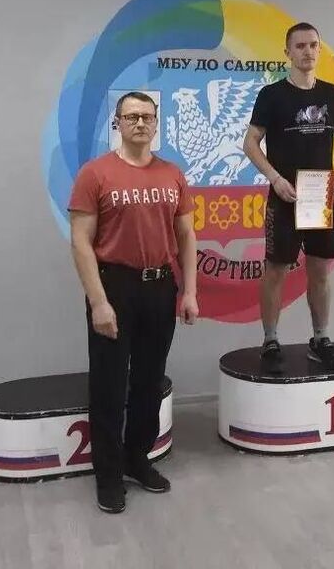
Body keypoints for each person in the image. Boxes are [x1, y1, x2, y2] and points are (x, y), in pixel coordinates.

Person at [69, 91, 199, 514]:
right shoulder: (95, 174)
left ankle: (136, 460)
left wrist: (190, 291)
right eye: (131, 117)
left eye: (146, 116)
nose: (140, 123)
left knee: (149, 381)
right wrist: (98, 302)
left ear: (156, 122)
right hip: (114, 288)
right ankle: (108, 476)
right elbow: (81, 242)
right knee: (109, 386)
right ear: (118, 123)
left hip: (160, 287)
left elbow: (186, 236)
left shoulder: (172, 175)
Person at [243, 22, 334, 374]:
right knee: (276, 269)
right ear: (287, 52)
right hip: (286, 195)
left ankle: (320, 338)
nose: (308, 51)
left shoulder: (333, 94)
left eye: (313, 45)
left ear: (320, 49)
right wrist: (274, 178)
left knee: (319, 269)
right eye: (300, 46)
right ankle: (270, 341)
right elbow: (250, 143)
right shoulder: (272, 95)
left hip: (320, 195)